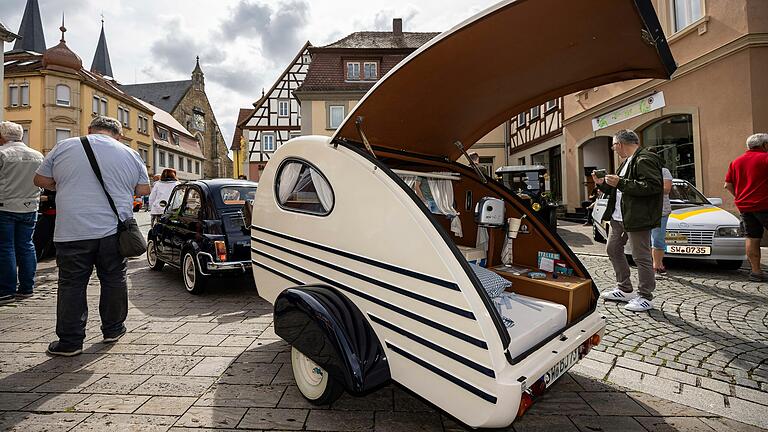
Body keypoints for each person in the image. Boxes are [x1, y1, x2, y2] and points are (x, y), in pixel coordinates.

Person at [34, 116, 150, 356]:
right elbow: (143, 189)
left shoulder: (65, 145)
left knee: (71, 284)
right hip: (113, 231)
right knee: (114, 279)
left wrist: (65, 184)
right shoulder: (129, 153)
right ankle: (113, 329)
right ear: (118, 135)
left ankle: (70, 342)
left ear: (89, 129)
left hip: (71, 230)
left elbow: (40, 180)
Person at [593, 129, 663, 312]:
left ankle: (645, 296)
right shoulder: (627, 162)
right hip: (619, 217)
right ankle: (624, 288)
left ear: (621, 144)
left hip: (637, 217)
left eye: (614, 145)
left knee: (641, 256)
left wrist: (620, 182)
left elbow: (653, 187)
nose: (614, 149)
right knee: (613, 249)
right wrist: (603, 184)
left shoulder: (645, 158)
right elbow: (618, 191)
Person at [0, 121, 44, 304]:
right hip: (30, 206)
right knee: (27, 245)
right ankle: (27, 287)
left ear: (2, 137)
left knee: (6, 248)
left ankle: (6, 291)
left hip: (5, 206)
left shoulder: (2, 154)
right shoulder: (37, 156)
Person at [724, 133, 768, 282]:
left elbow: (727, 185)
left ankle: (756, 272)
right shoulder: (766, 158)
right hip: (765, 204)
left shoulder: (736, 162)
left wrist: (739, 196)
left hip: (745, 206)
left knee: (752, 237)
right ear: (764, 145)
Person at [651, 167, 673, 278]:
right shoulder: (639, 170)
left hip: (661, 211)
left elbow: (667, 189)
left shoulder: (664, 171)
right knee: (645, 240)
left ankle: (657, 266)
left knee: (658, 239)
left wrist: (647, 186)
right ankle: (650, 266)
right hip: (643, 211)